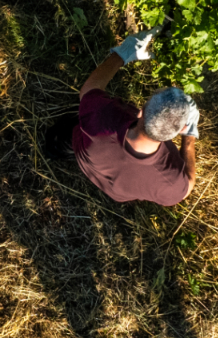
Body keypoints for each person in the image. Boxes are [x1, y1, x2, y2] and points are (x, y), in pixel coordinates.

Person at [63, 29, 198, 206]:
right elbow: (188, 186)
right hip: (114, 191)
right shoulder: (170, 183)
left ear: (141, 111)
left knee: (60, 137)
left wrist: (122, 55)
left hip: (81, 152)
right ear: (179, 131)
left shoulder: (103, 120)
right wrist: (189, 139)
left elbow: (89, 90)